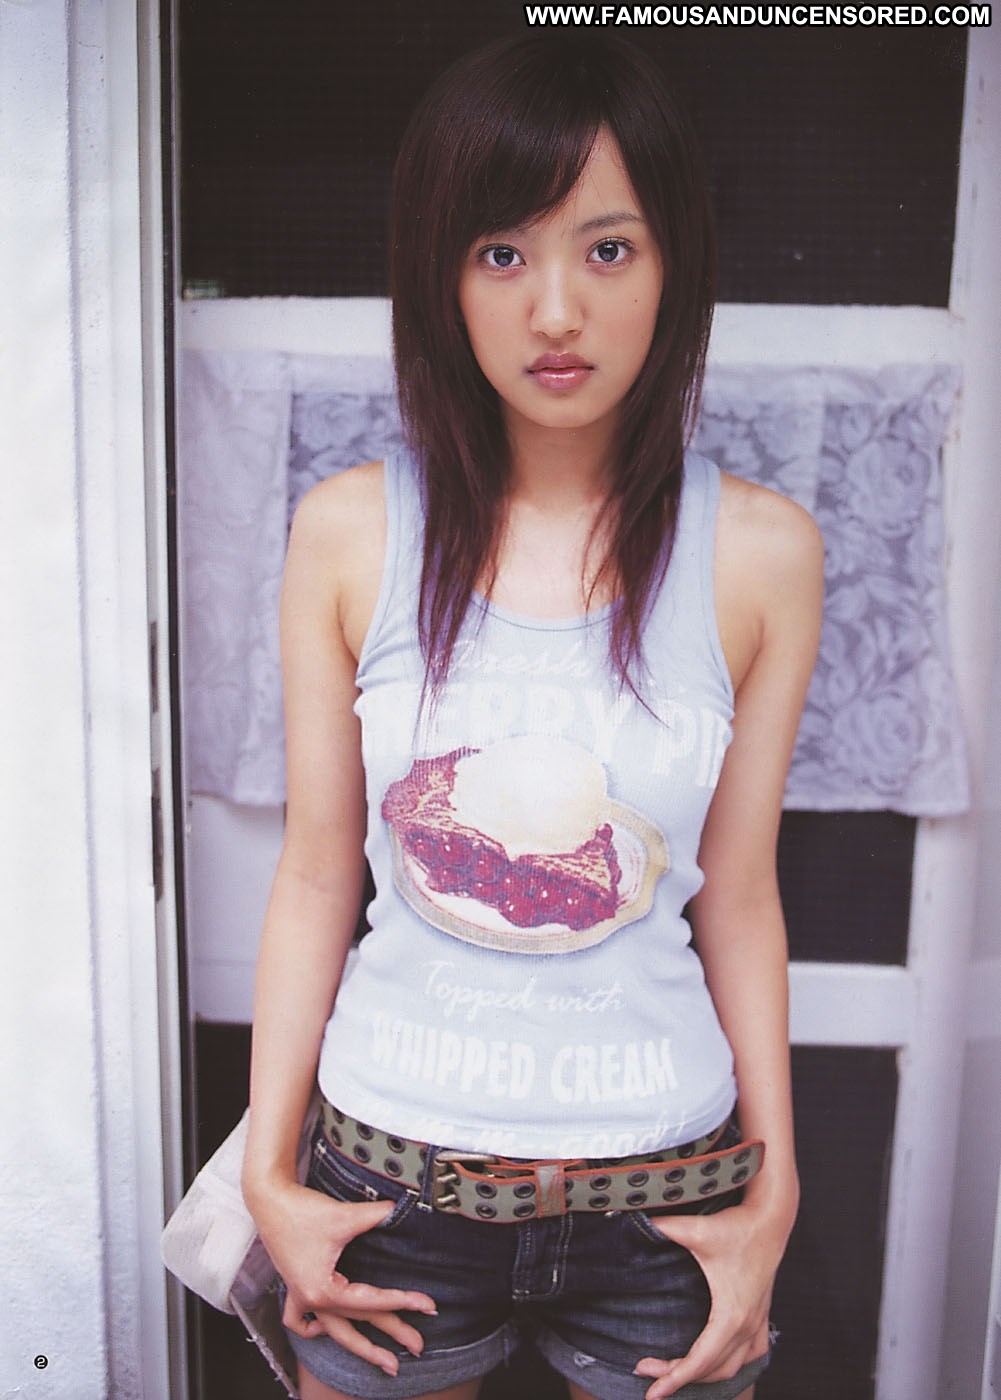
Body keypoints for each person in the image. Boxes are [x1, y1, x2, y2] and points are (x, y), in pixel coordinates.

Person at [241, 32, 823, 1400]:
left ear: (673, 264)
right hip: (387, 1191)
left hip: (669, 1201)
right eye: (501, 252)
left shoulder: (759, 553)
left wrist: (776, 1194)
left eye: (607, 249)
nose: (556, 309)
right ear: (440, 276)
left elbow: (738, 893)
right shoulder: (350, 534)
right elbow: (318, 872)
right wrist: (269, 1175)